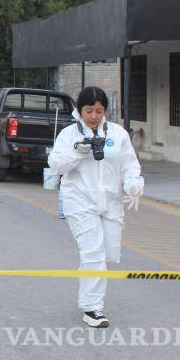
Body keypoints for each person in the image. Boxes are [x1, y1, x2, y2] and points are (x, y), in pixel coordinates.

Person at [47, 86, 144, 328]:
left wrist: (133, 185)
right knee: (93, 252)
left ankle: (88, 290)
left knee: (108, 252)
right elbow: (56, 165)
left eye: (99, 111)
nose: (94, 116)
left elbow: (129, 164)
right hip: (79, 200)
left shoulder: (118, 134)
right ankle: (93, 308)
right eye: (89, 111)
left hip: (110, 202)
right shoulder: (69, 134)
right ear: (79, 111)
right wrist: (76, 153)